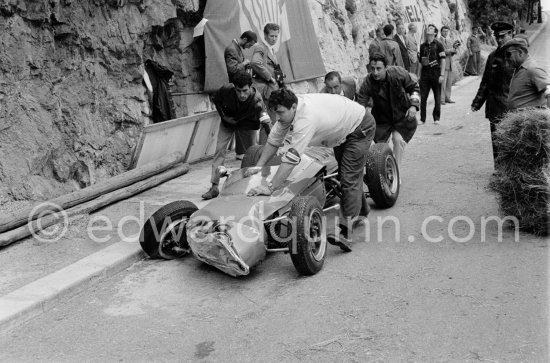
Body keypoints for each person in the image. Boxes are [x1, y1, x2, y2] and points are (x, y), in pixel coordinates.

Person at [247, 89, 375, 252]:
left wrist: (271, 187)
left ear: (294, 107)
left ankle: (346, 233)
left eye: (280, 112)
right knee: (347, 175)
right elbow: (273, 141)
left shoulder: (306, 118)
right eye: (275, 113)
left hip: (359, 127)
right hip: (341, 130)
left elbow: (291, 159)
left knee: (349, 177)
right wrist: (258, 167)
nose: (277, 117)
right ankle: (362, 210)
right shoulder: (288, 113)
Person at [201, 71, 271, 200]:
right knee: (219, 151)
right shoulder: (226, 90)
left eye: (245, 91)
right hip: (228, 122)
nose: (242, 95)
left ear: (250, 87)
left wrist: (274, 143)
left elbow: (266, 123)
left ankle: (249, 184)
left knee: (252, 154)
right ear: (234, 87)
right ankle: (214, 187)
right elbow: (217, 101)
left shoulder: (257, 100)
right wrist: (225, 117)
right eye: (238, 91)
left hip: (247, 124)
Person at [357, 52, 420, 170]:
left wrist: (413, 106)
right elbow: (361, 103)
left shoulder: (398, 73)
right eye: (373, 69)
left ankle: (396, 172)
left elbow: (414, 87)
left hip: (402, 117)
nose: (375, 72)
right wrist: (359, 120)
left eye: (379, 69)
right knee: (381, 150)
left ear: (386, 67)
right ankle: (385, 173)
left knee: (398, 141)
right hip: (382, 120)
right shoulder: (368, 82)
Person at [471, 21, 515, 162]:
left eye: (502, 36)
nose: (499, 39)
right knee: (496, 142)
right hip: (495, 106)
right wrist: (477, 102)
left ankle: (511, 172)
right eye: (497, 36)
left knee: (512, 142)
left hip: (513, 107)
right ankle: (499, 172)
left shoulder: (517, 55)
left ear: (511, 34)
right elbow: (486, 82)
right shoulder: (492, 56)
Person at [224, 30, 258, 159]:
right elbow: (232, 69)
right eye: (249, 44)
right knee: (242, 120)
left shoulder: (236, 48)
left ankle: (244, 150)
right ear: (244, 39)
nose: (249, 47)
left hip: (241, 87)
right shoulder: (231, 49)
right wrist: (243, 64)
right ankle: (241, 151)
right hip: (237, 88)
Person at [251, 23, 281, 143]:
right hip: (265, 90)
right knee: (267, 122)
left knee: (270, 121)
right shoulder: (261, 48)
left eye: (276, 36)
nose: (274, 39)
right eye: (272, 36)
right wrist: (270, 78)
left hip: (271, 90)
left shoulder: (270, 49)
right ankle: (264, 150)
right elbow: (255, 62)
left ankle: (266, 150)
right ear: (265, 35)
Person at [503, 38, 550, 110]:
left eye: (508, 54)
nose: (506, 58)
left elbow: (548, 91)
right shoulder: (519, 69)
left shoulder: (532, 69)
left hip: (531, 119)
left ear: (520, 52)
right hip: (520, 119)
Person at [418, 28, 446, 125]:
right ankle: (422, 118)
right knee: (423, 97)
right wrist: (419, 75)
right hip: (425, 73)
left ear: (434, 35)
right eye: (427, 34)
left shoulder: (439, 45)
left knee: (437, 97)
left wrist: (442, 75)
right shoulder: (422, 46)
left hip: (436, 73)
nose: (428, 36)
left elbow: (443, 60)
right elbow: (420, 62)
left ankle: (436, 118)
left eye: (430, 34)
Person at [439, 26, 457, 105]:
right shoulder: (438, 41)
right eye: (444, 31)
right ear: (441, 32)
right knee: (443, 83)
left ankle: (448, 98)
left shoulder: (449, 41)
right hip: (443, 64)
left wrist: (454, 50)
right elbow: (441, 51)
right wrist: (451, 50)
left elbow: (451, 53)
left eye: (447, 31)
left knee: (449, 83)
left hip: (450, 63)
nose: (445, 33)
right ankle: (442, 99)